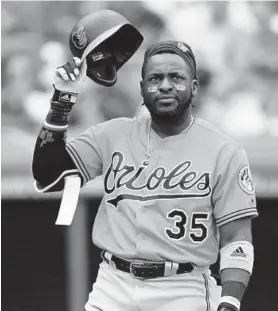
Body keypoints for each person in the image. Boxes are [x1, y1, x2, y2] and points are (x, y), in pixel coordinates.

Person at [32, 40, 258, 311]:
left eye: (176, 77)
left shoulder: (225, 151)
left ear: (194, 87)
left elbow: (237, 238)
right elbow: (48, 176)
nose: (164, 85)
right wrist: (62, 99)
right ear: (142, 89)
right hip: (113, 284)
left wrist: (230, 301)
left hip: (183, 288)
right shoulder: (112, 134)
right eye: (155, 78)